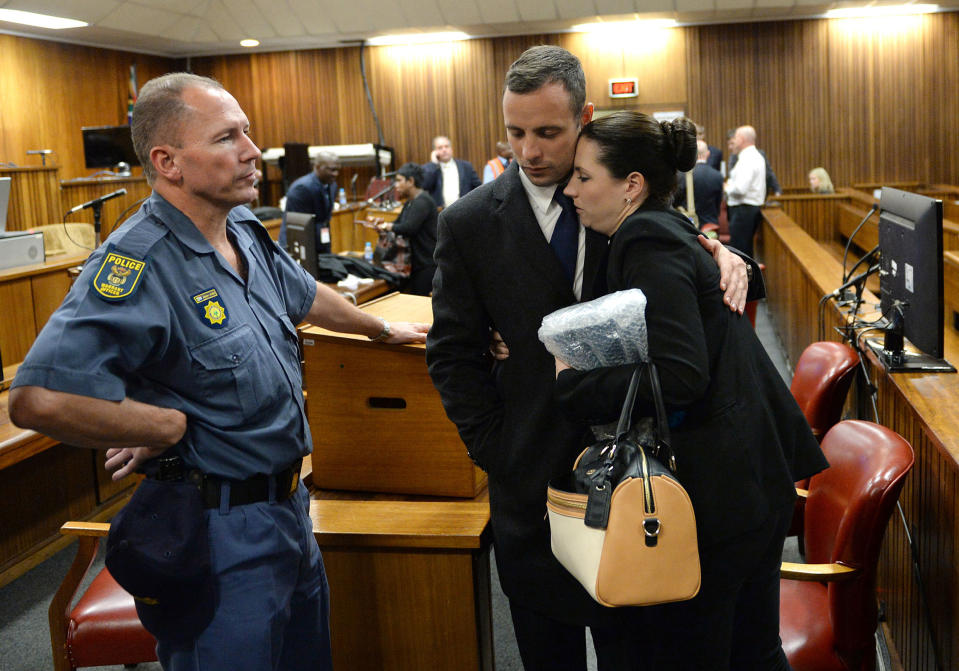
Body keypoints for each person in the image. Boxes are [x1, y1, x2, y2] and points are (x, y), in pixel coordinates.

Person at [7, 72, 428, 671]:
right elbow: (37, 398)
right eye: (228, 137)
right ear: (168, 162)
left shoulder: (243, 230)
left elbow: (304, 294)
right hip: (217, 531)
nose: (253, 151)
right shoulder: (136, 262)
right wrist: (163, 427)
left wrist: (382, 330)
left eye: (247, 132)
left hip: (290, 510)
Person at [426, 45, 760, 671]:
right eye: (516, 132)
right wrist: (496, 449)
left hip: (636, 481)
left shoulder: (623, 196)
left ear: (583, 120)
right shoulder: (467, 223)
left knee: (637, 653)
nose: (530, 150)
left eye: (549, 132)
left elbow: (682, 259)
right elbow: (450, 353)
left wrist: (723, 251)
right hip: (528, 484)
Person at [558, 111, 827, 670]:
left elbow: (681, 375)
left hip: (727, 481)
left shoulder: (645, 239)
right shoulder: (665, 223)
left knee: (718, 650)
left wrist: (576, 384)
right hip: (750, 466)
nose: (570, 189)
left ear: (631, 185)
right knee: (751, 649)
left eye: (583, 177)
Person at [372, 162, 438, 296]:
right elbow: (398, 223)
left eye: (399, 181)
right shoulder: (410, 202)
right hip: (413, 263)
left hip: (426, 264)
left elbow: (409, 228)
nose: (396, 186)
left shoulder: (423, 201)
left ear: (411, 181)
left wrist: (388, 226)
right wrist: (383, 225)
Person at [279, 150, 340, 252]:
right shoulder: (302, 188)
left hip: (321, 240)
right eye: (332, 170)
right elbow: (297, 226)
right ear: (317, 167)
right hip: (300, 244)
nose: (336, 174)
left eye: (338, 170)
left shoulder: (332, 185)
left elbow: (325, 219)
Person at [725, 125, 767, 257]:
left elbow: (740, 189)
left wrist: (726, 187)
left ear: (742, 139)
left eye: (735, 137)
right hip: (746, 210)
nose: (734, 141)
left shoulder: (748, 158)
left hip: (743, 211)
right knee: (744, 251)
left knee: (740, 254)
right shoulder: (751, 156)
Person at [674, 140, 724, 227]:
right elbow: (718, 204)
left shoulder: (681, 175)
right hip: (710, 227)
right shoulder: (718, 176)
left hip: (688, 225)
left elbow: (675, 201)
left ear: (691, 154)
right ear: (708, 154)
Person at [421, 135, 481, 207]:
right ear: (434, 151)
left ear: (451, 149)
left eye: (447, 146)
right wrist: (434, 164)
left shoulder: (466, 166)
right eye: (440, 148)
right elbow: (425, 186)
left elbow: (478, 188)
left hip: (464, 210)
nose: (444, 150)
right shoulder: (428, 168)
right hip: (440, 213)